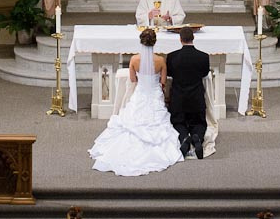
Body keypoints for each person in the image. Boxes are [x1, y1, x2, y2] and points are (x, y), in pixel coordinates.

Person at [88, 28, 183, 176]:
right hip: (154, 94)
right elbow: (163, 82)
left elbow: (133, 80)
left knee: (131, 120)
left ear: (141, 42)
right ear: (154, 42)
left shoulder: (134, 60)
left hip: (141, 93)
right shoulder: (160, 61)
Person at [166, 26, 210, 159]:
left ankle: (184, 138)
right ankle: (197, 137)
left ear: (180, 39)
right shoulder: (203, 57)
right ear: (193, 38)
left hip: (178, 99)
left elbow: (170, 73)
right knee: (199, 122)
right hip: (196, 98)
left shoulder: (172, 57)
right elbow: (204, 73)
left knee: (178, 122)